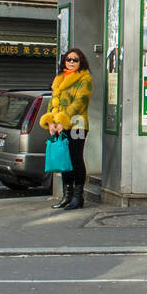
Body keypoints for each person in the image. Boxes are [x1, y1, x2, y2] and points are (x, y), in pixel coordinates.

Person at [40, 47, 93, 210]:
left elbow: (80, 102)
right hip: (59, 124)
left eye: (75, 59)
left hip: (77, 124)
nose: (71, 62)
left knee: (76, 158)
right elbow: (52, 103)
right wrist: (50, 121)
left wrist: (64, 120)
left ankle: (78, 197)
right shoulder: (60, 78)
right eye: (68, 59)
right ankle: (67, 196)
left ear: (81, 62)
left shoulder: (85, 79)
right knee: (64, 160)